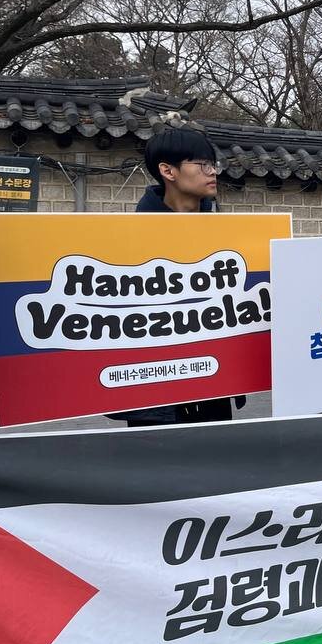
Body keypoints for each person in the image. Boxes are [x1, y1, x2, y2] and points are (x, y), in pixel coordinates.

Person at [112, 128, 232, 426]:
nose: (212, 172)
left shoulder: (228, 235)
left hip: (213, 386)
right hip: (153, 394)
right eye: (202, 164)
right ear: (168, 171)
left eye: (213, 164)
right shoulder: (125, 240)